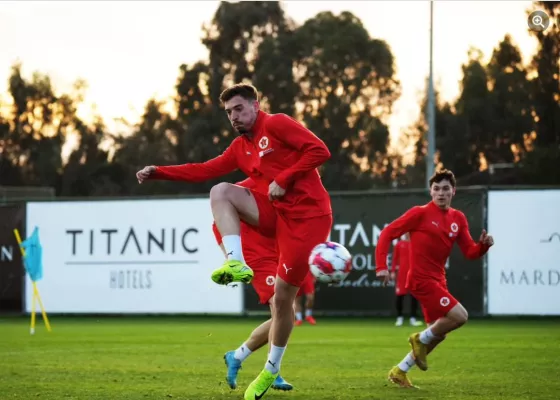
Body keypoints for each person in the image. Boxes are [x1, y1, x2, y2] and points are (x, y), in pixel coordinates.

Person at [136, 83, 332, 399]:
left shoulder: (277, 123)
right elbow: (202, 170)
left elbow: (320, 150)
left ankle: (270, 369)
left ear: (256, 105)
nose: (234, 117)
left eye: (239, 109)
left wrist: (284, 177)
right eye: (229, 112)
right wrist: (159, 172)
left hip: (309, 221)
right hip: (277, 216)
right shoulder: (240, 147)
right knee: (220, 191)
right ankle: (235, 261)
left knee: (282, 302)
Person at [375, 169, 494, 388]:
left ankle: (399, 371)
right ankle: (418, 338)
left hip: (439, 280)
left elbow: (469, 252)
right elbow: (387, 233)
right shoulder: (419, 213)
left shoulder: (458, 218)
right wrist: (381, 266)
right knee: (460, 316)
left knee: (438, 334)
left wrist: (484, 246)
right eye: (436, 188)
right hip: (421, 280)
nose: (441, 193)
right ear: (430, 191)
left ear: (453, 192)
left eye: (445, 189)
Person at [211, 209, 293, 391]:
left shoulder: (274, 192)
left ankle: (237, 356)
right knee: (281, 307)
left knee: (283, 314)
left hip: (277, 255)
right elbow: (218, 222)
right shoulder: (241, 192)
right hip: (258, 260)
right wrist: (231, 259)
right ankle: (272, 370)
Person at [390, 233, 423, 327]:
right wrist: (392, 271)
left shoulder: (416, 244)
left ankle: (413, 318)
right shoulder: (399, 244)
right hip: (402, 275)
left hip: (414, 274)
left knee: (414, 296)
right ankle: (399, 318)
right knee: (400, 296)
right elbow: (395, 259)